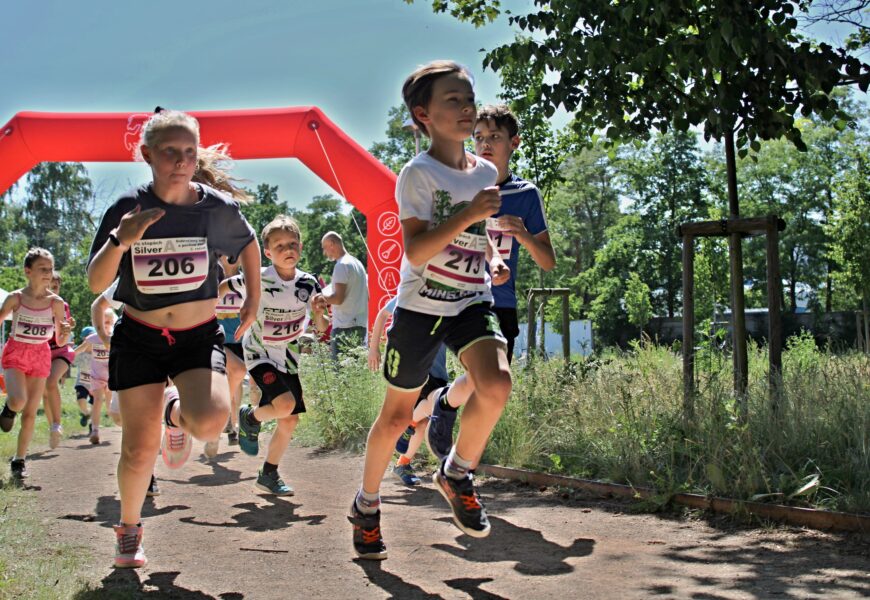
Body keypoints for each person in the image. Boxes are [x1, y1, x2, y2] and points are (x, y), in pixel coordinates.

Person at [348, 60, 512, 560]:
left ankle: (457, 470)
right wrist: (469, 213)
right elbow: (416, 252)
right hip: (420, 308)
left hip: (470, 300)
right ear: (423, 114)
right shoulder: (417, 174)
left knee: (497, 383)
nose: (466, 109)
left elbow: (475, 235)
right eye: (453, 101)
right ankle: (367, 504)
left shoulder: (485, 171)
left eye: (469, 99)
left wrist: (493, 255)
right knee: (397, 416)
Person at [87, 109, 261, 568]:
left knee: (209, 422)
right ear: (147, 155)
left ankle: (173, 412)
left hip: (196, 336)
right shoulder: (127, 207)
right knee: (139, 449)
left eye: (189, 152)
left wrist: (253, 298)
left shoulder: (214, 208)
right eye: (170, 152)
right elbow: (94, 280)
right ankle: (128, 529)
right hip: (140, 336)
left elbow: (248, 243)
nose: (181, 161)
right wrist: (120, 241)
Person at [225, 215, 328, 495]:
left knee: (290, 420)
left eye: (292, 243)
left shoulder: (308, 283)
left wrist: (319, 314)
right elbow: (223, 288)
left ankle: (268, 474)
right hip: (259, 353)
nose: (287, 249)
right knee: (284, 405)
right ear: (268, 252)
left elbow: (321, 328)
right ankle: (250, 418)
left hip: (289, 357)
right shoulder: (257, 277)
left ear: (301, 248)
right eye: (279, 245)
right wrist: (201, 306)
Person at [473, 104, 556, 362]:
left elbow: (548, 262)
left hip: (500, 304)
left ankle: (447, 402)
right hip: (457, 301)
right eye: (478, 137)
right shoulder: (460, 187)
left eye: (495, 136)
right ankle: (444, 402)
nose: (485, 144)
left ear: (514, 142)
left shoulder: (526, 194)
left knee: (495, 390)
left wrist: (524, 235)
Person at [0, 248, 72, 479]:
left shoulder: (56, 303)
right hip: (16, 352)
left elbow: (60, 339)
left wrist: (66, 332)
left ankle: (19, 460)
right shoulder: (15, 298)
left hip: (40, 354)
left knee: (30, 412)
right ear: (27, 271)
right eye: (42, 269)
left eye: (50, 269)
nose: (48, 274)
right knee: (18, 400)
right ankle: (9, 409)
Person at [367, 296, 448, 486]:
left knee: (424, 420)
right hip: (411, 369)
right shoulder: (413, 290)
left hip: (437, 372)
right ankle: (381, 472)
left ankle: (402, 463)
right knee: (427, 409)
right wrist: (373, 348)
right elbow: (382, 315)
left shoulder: (452, 299)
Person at [205, 255, 246, 458]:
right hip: (216, 338)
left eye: (236, 255)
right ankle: (220, 425)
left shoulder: (245, 281)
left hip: (238, 339)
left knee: (236, 382)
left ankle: (232, 423)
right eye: (227, 254)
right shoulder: (211, 279)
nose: (231, 258)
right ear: (220, 256)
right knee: (232, 374)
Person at [43, 271, 76, 449]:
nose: (52, 290)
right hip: (42, 352)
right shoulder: (38, 304)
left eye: (55, 287)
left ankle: (57, 424)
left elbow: (65, 326)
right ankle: (52, 427)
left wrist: (67, 328)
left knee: (50, 382)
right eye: (49, 286)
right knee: (44, 394)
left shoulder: (62, 304)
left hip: (61, 350)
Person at [321, 231, 367, 358]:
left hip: (344, 327)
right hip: (361, 325)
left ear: (332, 244)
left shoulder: (341, 265)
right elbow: (367, 296)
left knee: (340, 375)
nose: (325, 253)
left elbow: (338, 299)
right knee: (356, 373)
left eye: (325, 248)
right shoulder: (358, 264)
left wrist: (317, 298)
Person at [76, 306, 118, 443]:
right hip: (96, 377)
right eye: (101, 323)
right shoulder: (93, 338)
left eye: (108, 322)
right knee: (98, 401)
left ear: (113, 323)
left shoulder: (116, 338)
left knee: (110, 406)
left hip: (112, 377)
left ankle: (121, 424)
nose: (105, 326)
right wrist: (67, 355)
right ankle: (95, 431)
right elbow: (80, 349)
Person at [73, 326, 96, 427]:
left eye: (92, 337)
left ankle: (93, 424)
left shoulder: (99, 351)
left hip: (96, 382)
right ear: (83, 339)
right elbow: (71, 359)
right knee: (80, 401)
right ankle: (86, 414)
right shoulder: (79, 351)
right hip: (82, 382)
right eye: (87, 338)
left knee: (95, 405)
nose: (90, 340)